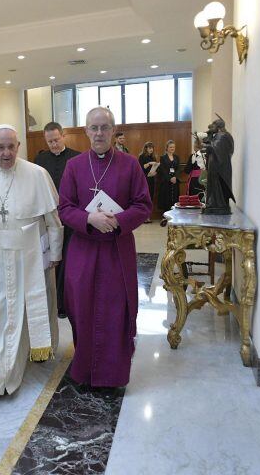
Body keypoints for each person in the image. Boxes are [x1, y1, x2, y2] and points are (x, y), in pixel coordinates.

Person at [0, 124, 63, 407]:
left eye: (11, 146)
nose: (6, 153)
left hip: (31, 253)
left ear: (19, 146)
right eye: (0, 147)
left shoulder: (37, 174)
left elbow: (53, 220)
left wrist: (55, 252)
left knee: (36, 306)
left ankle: (37, 352)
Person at [58, 107, 152, 388]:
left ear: (113, 131)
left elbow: (143, 205)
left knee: (115, 311)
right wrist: (89, 219)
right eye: (93, 128)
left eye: (104, 128)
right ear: (86, 131)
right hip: (83, 250)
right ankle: (84, 370)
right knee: (82, 310)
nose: (99, 133)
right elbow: (64, 208)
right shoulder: (74, 166)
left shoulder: (130, 164)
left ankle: (112, 375)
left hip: (116, 250)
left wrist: (116, 221)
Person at [34, 122, 80, 319]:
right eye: (49, 141)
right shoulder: (40, 159)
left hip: (69, 218)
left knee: (68, 261)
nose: (53, 144)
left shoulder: (76, 157)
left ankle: (66, 303)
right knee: (50, 260)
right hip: (47, 219)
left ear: (63, 136)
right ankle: (52, 302)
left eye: (56, 139)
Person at [201, 116, 235, 215]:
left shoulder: (224, 136)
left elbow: (217, 148)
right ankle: (213, 203)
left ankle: (218, 205)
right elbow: (213, 145)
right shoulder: (219, 135)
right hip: (215, 165)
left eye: (214, 125)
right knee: (213, 186)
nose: (212, 127)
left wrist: (206, 146)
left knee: (218, 187)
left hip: (220, 168)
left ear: (218, 126)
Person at [157, 140, 180, 225]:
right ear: (167, 148)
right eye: (170, 147)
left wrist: (175, 177)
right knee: (166, 198)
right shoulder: (163, 157)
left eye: (173, 147)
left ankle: (174, 217)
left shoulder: (176, 157)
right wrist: (170, 178)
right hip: (166, 182)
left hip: (175, 182)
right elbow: (163, 170)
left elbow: (178, 169)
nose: (172, 149)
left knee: (175, 198)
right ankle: (166, 217)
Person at [138, 141, 158, 222]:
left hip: (151, 179)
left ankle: (148, 216)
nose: (151, 150)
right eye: (149, 148)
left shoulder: (153, 157)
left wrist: (155, 170)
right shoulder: (142, 156)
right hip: (144, 179)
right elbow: (141, 168)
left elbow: (155, 168)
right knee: (145, 198)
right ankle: (143, 217)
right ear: (146, 148)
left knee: (150, 198)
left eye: (152, 148)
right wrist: (149, 163)